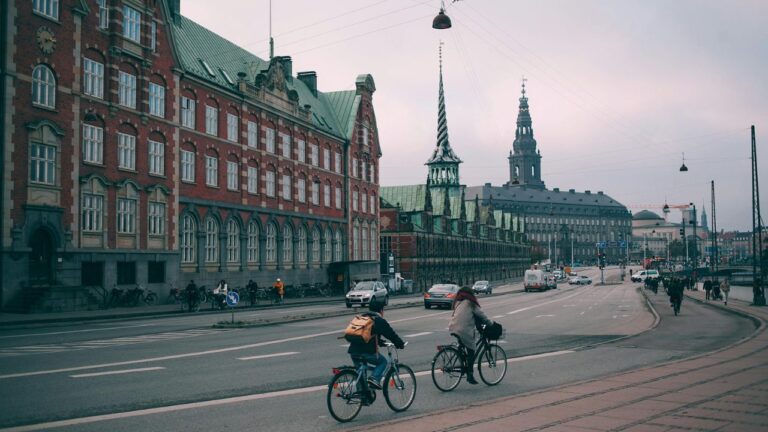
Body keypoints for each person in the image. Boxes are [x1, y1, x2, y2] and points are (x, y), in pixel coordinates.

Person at [347, 299, 405, 390]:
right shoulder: (378, 320)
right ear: (381, 310)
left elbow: (369, 335)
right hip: (367, 352)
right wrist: (400, 344)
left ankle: (362, 395)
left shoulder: (363, 317)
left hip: (353, 351)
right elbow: (391, 334)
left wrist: (380, 342)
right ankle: (374, 379)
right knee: (383, 362)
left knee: (360, 373)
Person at [448, 286, 494, 384]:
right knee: (471, 351)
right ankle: (470, 374)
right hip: (463, 329)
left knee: (464, 346)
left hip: (453, 327)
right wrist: (490, 323)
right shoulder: (470, 302)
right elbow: (481, 315)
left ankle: (463, 364)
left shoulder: (458, 302)